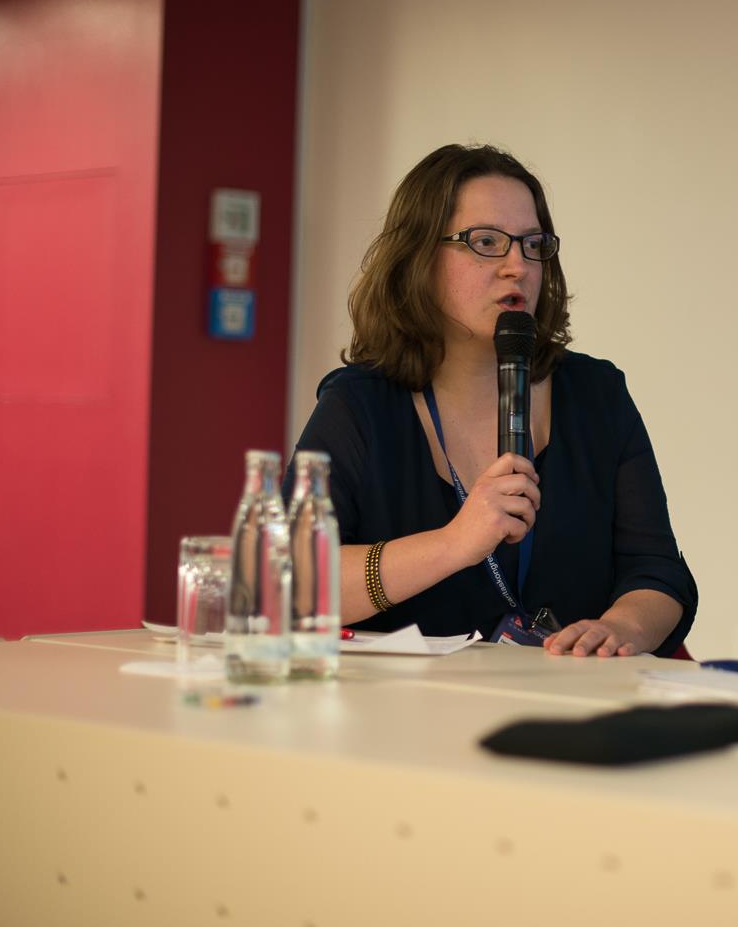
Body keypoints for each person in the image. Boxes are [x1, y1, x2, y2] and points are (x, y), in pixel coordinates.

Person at [293, 144, 695, 657]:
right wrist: (454, 543)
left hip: (571, 709)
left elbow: (656, 570)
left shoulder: (597, 395)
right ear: (419, 257)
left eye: (533, 245)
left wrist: (622, 630)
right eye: (486, 242)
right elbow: (292, 581)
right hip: (403, 717)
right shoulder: (360, 407)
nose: (517, 266)